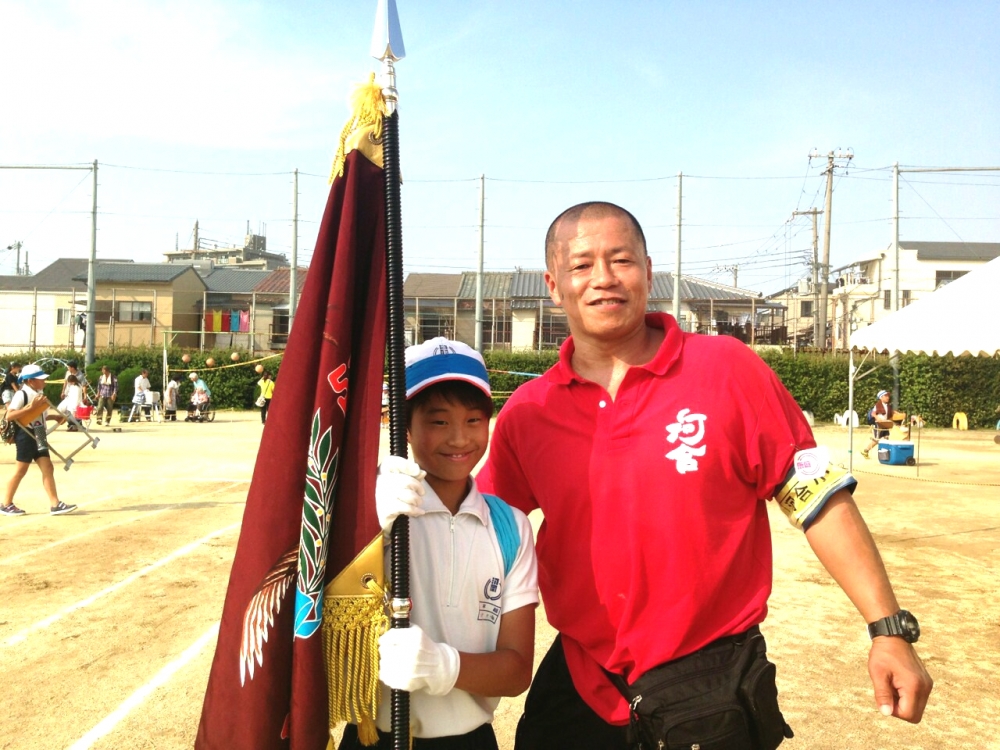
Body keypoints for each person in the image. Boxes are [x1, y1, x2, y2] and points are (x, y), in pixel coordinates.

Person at [472, 202, 932, 748]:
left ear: (647, 269)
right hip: (583, 678)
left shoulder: (729, 370)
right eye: (582, 265)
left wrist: (887, 629)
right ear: (554, 286)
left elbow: (818, 498)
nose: (604, 279)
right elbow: (481, 531)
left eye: (621, 260)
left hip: (712, 685)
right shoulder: (530, 411)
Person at [355, 338, 538, 749]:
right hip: (375, 737)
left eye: (474, 420)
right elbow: (319, 611)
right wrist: (364, 524)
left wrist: (444, 666)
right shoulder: (372, 507)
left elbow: (516, 670)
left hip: (471, 740)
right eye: (438, 421)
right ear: (404, 424)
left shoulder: (512, 527)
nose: (459, 438)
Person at [1, 364, 77, 517]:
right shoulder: (21, 394)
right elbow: (10, 415)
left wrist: (54, 417)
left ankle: (55, 504)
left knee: (48, 467)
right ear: (30, 381)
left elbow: (38, 415)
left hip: (39, 432)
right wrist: (31, 407)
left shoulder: (38, 392)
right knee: (21, 470)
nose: (44, 381)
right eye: (40, 379)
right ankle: (6, 504)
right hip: (26, 434)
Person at [861, 389, 895, 459]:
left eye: (888, 396)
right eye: (885, 396)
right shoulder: (878, 405)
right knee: (877, 439)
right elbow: (873, 413)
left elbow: (890, 413)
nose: (887, 397)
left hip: (884, 424)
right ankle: (865, 450)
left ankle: (885, 454)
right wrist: (877, 417)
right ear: (881, 397)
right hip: (878, 424)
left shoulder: (887, 406)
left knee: (886, 438)